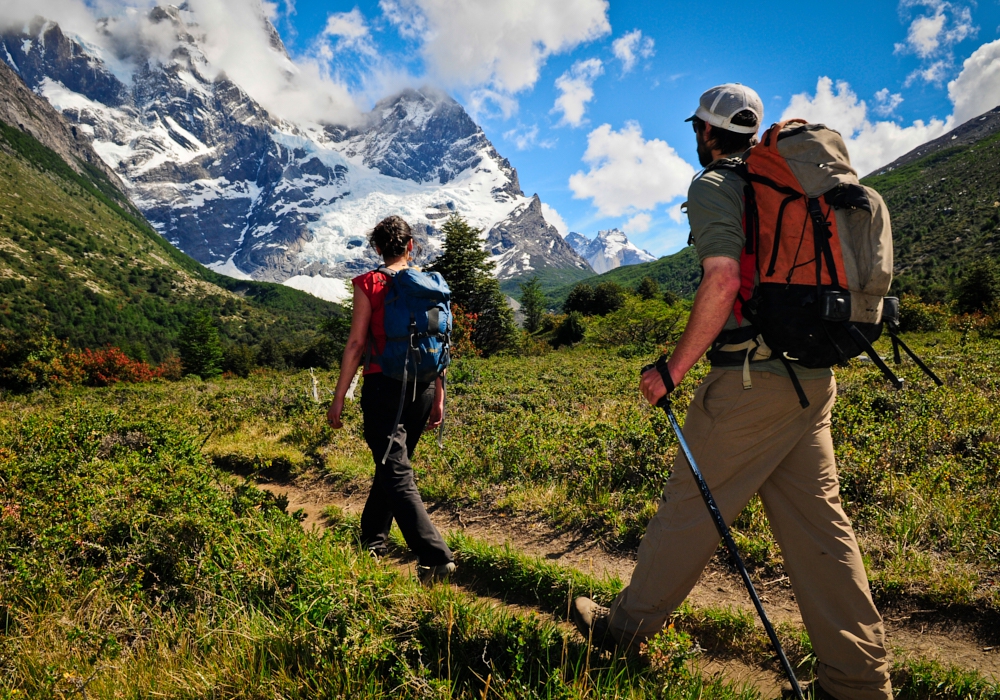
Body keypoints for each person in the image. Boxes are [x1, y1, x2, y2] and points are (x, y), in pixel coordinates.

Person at [570, 85, 893, 700]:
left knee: (687, 511)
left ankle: (622, 632)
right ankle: (858, 683)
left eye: (697, 130)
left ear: (707, 132)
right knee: (821, 527)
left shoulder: (717, 185)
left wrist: (671, 370)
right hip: (811, 378)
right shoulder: (786, 184)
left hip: (748, 383)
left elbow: (721, 280)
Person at [327, 215, 456, 586]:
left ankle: (435, 557)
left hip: (385, 385)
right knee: (391, 466)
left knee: (395, 470)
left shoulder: (370, 282)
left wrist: (339, 398)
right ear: (411, 246)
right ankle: (372, 542)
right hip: (425, 386)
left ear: (378, 248)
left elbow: (356, 344)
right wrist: (439, 397)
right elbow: (441, 344)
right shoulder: (431, 285)